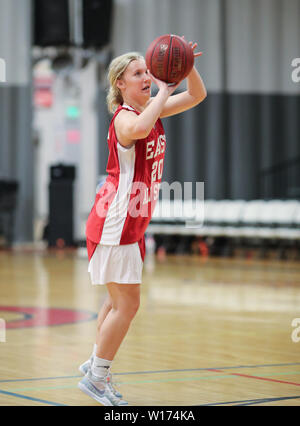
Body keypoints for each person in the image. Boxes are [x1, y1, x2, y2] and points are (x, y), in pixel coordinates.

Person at [78, 37, 207, 406]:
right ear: (120, 83)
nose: (146, 78)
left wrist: (186, 67)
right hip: (116, 219)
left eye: (148, 72)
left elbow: (197, 96)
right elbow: (140, 128)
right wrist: (165, 90)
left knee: (115, 301)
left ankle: (93, 364)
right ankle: (97, 378)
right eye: (138, 73)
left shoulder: (150, 108)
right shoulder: (125, 118)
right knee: (127, 305)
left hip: (130, 221)